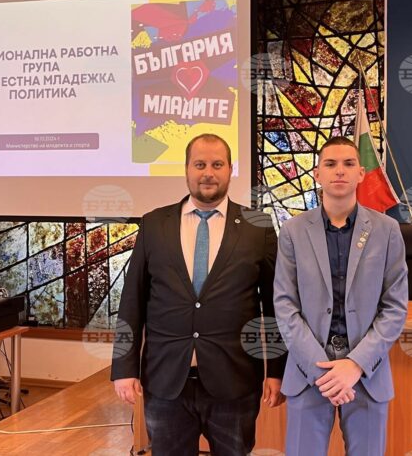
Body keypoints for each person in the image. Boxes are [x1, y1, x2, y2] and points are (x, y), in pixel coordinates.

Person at [111, 134, 285, 455]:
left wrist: (276, 372)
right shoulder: (154, 224)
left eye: (217, 164)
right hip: (166, 382)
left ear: (230, 169)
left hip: (234, 382)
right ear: (187, 169)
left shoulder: (257, 227)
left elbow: (274, 307)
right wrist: (124, 368)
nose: (208, 173)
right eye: (200, 164)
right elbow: (132, 301)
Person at [273, 136, 409, 456]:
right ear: (317, 174)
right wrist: (322, 371)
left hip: (367, 374)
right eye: (330, 164)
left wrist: (355, 365)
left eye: (348, 164)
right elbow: (285, 305)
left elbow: (395, 308)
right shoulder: (293, 231)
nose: (339, 171)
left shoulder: (387, 230)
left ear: (361, 173)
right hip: (309, 373)